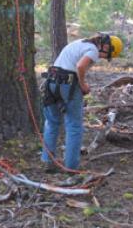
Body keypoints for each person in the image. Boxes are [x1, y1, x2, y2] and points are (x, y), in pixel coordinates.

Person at [41, 33, 123, 172]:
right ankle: (71, 167)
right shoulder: (93, 50)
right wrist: (83, 84)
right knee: (74, 126)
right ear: (107, 47)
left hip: (52, 82)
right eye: (107, 55)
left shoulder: (79, 43)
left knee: (52, 122)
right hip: (68, 85)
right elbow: (80, 66)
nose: (103, 58)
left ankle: (47, 161)